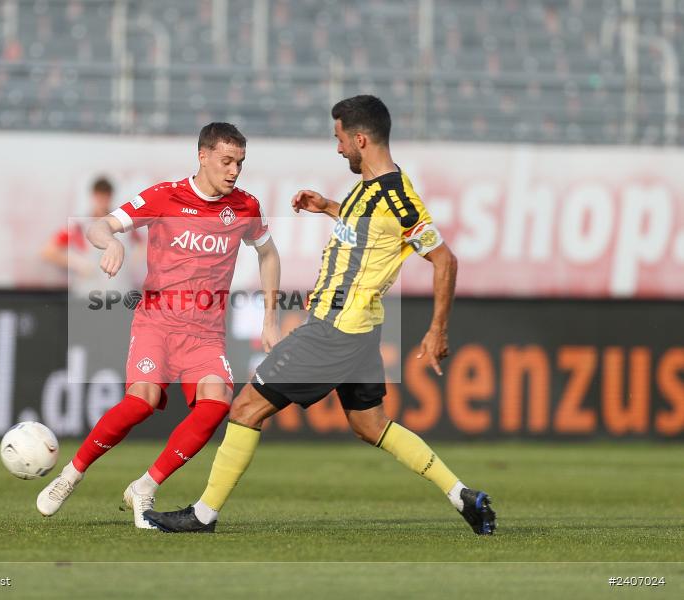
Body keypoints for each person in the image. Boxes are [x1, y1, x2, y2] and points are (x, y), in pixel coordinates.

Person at [144, 96, 497, 535]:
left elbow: (445, 260)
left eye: (340, 139)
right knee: (371, 425)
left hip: (335, 330)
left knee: (246, 408)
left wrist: (437, 330)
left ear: (361, 139)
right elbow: (370, 227)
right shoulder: (370, 189)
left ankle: (203, 514)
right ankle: (460, 494)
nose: (338, 148)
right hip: (361, 329)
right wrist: (327, 205)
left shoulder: (399, 198)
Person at [36, 123, 282, 529]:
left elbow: (268, 255)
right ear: (202, 156)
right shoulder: (165, 196)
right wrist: (112, 241)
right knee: (141, 402)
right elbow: (101, 226)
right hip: (157, 323)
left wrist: (270, 318)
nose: (234, 170)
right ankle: (71, 474)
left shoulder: (245, 208)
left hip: (205, 333)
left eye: (239, 162)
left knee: (217, 405)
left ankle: (146, 485)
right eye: (226, 161)